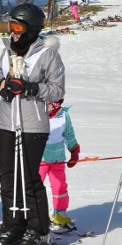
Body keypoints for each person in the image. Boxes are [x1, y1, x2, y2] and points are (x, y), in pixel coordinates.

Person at [0, 3, 65, 245]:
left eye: (18, 26)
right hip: (5, 121)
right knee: (7, 177)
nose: (13, 31)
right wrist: (3, 83)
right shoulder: (7, 49)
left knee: (28, 178)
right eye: (11, 25)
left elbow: (57, 89)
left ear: (31, 29)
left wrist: (31, 88)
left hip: (33, 123)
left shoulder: (47, 54)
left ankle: (38, 229)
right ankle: (13, 226)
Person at [40, 86, 81, 233]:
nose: (50, 106)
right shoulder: (38, 115)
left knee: (59, 188)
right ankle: (33, 216)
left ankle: (60, 214)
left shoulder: (63, 115)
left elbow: (69, 134)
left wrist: (74, 151)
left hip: (57, 159)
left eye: (53, 103)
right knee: (35, 187)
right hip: (40, 160)